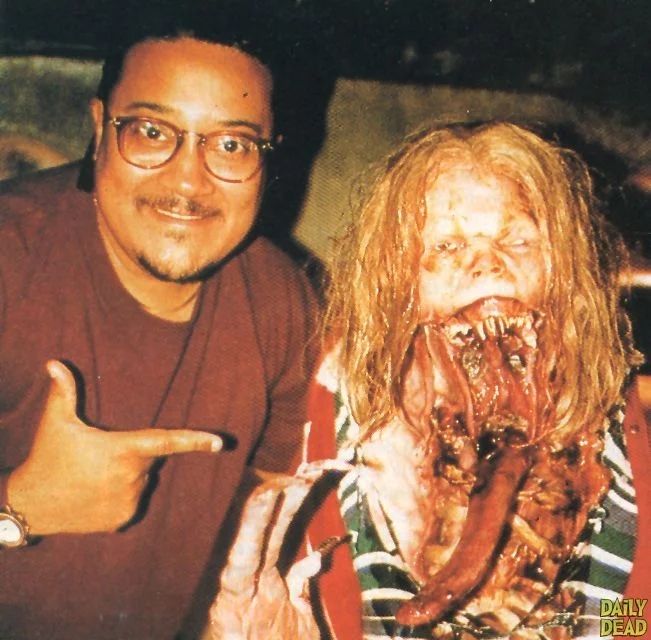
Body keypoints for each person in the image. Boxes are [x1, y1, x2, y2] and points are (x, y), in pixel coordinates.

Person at [210, 121, 651, 639]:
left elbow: (634, 614)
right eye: (446, 246)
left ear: (563, 266)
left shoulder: (626, 420)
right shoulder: (330, 415)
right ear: (398, 277)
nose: (487, 264)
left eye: (517, 239)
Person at [0, 21, 319, 640]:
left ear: (268, 160)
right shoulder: (12, 259)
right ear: (100, 129)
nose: (188, 181)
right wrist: (21, 508)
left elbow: (268, 508)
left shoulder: (284, 302)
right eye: (151, 132)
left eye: (231, 145)